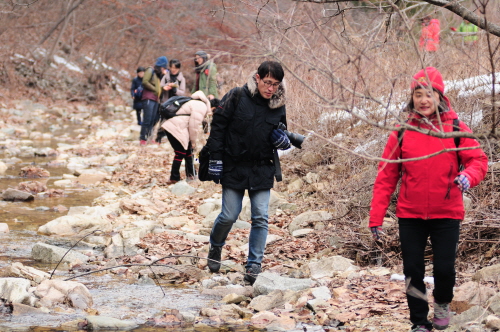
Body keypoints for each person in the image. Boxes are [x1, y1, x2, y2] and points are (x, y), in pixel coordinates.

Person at [369, 67, 488, 332]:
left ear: (440, 97)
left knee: (444, 269)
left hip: (447, 212)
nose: (423, 100)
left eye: (429, 94)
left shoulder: (456, 127)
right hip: (410, 214)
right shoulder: (402, 132)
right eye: (418, 94)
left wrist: (469, 176)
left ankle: (443, 303)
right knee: (413, 270)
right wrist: (376, 216)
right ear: (411, 98)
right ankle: (419, 321)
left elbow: (477, 160)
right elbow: (386, 176)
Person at [205, 60, 290, 285]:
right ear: (257, 78)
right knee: (229, 215)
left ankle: (254, 265)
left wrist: (282, 141)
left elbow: (282, 131)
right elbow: (218, 128)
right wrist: (215, 159)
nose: (271, 88)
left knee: (261, 217)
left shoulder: (277, 104)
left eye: (276, 84)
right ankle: (215, 245)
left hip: (262, 167)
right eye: (267, 82)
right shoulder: (236, 96)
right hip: (234, 165)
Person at [160, 91, 217, 184]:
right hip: (175, 128)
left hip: (177, 128)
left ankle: (190, 175)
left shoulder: (194, 102)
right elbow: (193, 126)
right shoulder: (200, 106)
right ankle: (174, 178)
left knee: (188, 151)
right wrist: (194, 142)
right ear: (213, 107)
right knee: (180, 152)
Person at [157, 59, 187, 144]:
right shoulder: (165, 77)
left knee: (174, 121)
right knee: (163, 120)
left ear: (179, 69)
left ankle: (173, 139)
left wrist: (175, 90)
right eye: (172, 68)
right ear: (169, 67)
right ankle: (159, 137)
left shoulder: (182, 79)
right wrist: (165, 87)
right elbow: (160, 86)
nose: (174, 70)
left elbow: (182, 92)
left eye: (176, 68)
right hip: (165, 101)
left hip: (176, 104)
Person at [140, 56, 168, 146]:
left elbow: (161, 84)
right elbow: (145, 81)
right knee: (147, 119)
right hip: (148, 97)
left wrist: (164, 74)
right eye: (163, 67)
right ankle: (143, 138)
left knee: (153, 119)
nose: (164, 69)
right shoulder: (150, 70)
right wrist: (155, 89)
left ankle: (149, 137)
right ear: (159, 66)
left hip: (156, 99)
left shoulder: (158, 74)